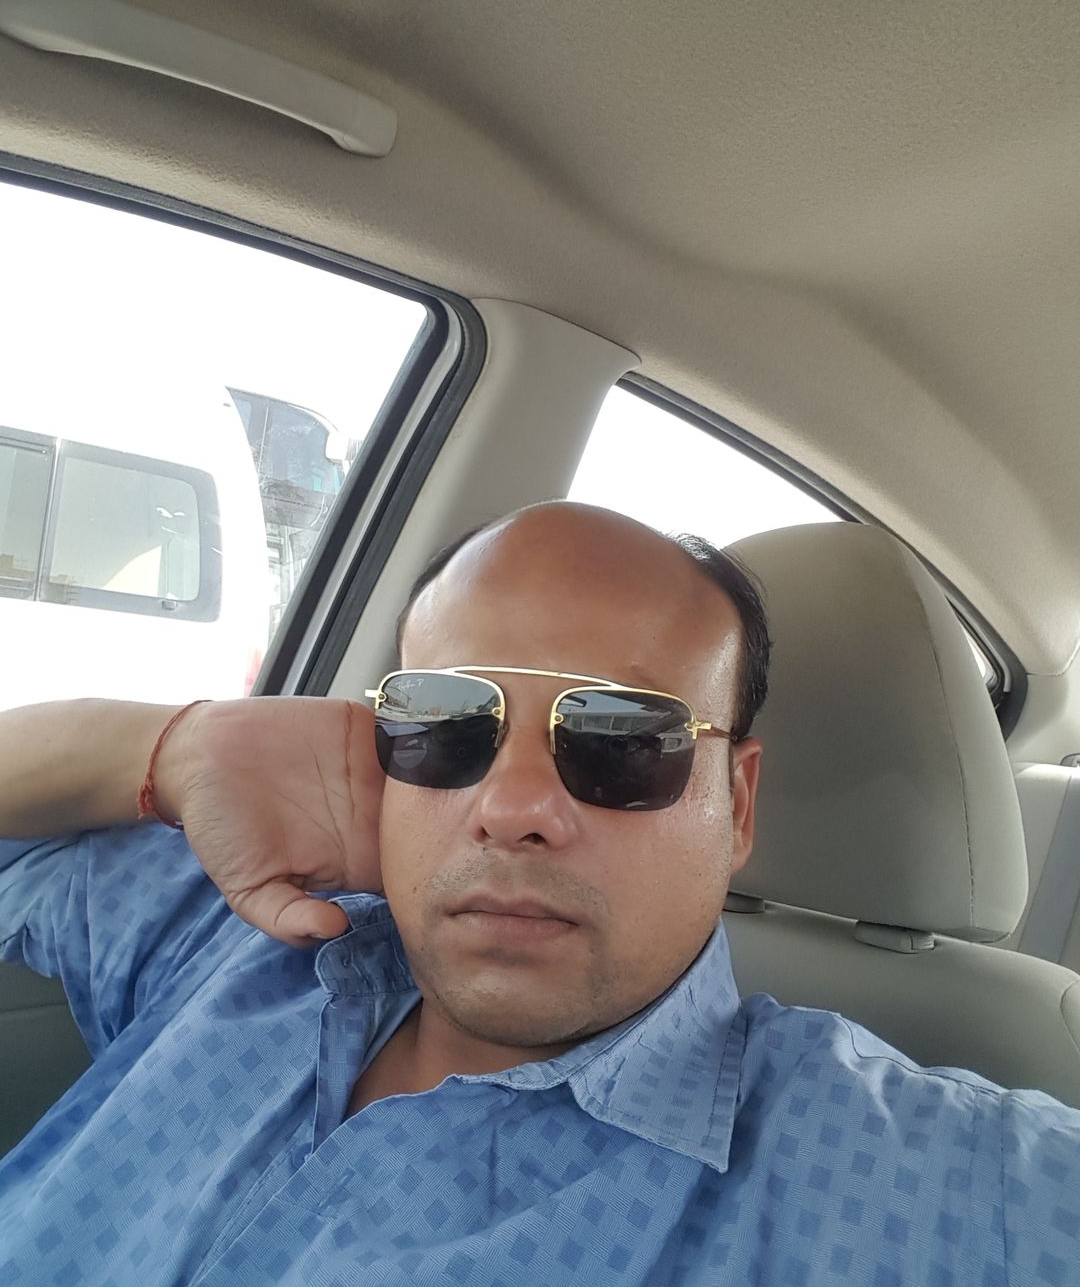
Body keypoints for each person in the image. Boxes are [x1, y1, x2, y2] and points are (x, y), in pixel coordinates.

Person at [0, 501, 1077, 1286]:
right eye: (444, 723)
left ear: (737, 805)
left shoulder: (903, 1180)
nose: (511, 807)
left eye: (623, 739)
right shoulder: (236, 931)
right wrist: (176, 747)